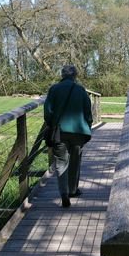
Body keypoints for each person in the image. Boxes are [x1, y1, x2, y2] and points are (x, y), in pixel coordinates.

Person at [44, 65, 93, 208]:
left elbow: (48, 112)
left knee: (60, 162)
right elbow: (87, 111)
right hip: (78, 131)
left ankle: (64, 193)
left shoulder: (53, 89)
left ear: (62, 75)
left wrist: (51, 124)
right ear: (75, 76)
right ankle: (72, 190)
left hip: (59, 131)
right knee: (75, 161)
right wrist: (88, 126)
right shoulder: (80, 89)